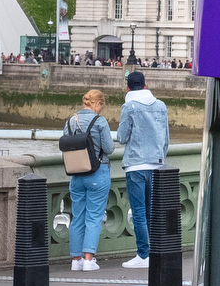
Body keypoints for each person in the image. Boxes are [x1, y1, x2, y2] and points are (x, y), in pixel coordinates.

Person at [117, 70, 170, 273]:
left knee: (138, 212)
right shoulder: (160, 105)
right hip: (156, 164)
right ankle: (153, 250)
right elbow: (166, 139)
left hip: (136, 165)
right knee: (151, 211)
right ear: (145, 85)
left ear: (128, 88)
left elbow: (122, 137)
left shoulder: (129, 106)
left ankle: (143, 254)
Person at [62, 88, 115, 271]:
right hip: (97, 173)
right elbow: (109, 148)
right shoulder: (99, 121)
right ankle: (88, 259)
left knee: (77, 217)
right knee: (94, 217)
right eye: (102, 105)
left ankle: (76, 260)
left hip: (76, 175)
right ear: (98, 103)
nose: (102, 109)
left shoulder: (70, 121)